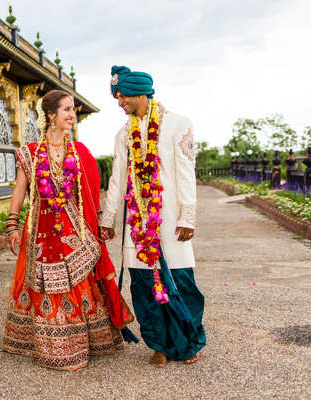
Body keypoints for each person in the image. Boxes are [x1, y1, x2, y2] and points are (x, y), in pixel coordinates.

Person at [2, 89, 135, 371]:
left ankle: (84, 341)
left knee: (80, 281)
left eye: (73, 109)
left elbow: (88, 192)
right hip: (40, 228)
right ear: (50, 115)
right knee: (43, 284)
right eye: (66, 110)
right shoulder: (31, 153)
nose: (72, 115)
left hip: (74, 228)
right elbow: (20, 189)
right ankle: (48, 344)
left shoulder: (79, 152)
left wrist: (101, 222)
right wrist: (12, 224)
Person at [99, 65, 206, 368]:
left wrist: (188, 217)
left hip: (170, 220)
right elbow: (118, 180)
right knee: (145, 287)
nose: (120, 103)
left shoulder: (178, 124)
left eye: (122, 97)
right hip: (138, 223)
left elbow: (186, 174)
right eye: (117, 98)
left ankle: (187, 342)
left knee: (182, 283)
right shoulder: (122, 135)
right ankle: (158, 344)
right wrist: (108, 219)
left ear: (140, 92)